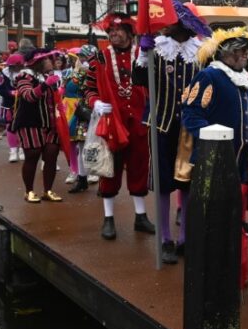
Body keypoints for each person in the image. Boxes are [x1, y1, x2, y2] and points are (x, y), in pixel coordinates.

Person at [182, 26, 248, 282]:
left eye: (247, 50)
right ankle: (213, 273)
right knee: (213, 222)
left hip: (240, 164)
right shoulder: (209, 77)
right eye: (240, 50)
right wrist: (214, 137)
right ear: (225, 53)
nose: (245, 55)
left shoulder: (243, 79)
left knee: (234, 220)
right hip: (214, 163)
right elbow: (191, 115)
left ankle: (234, 271)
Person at [136, 1, 208, 264]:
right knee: (164, 182)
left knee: (187, 181)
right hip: (161, 124)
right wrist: (143, 55)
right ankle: (165, 237)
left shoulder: (201, 52)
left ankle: (185, 237)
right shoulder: (157, 49)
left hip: (190, 127)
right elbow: (139, 80)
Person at [84, 13, 155, 240]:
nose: (113, 34)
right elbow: (88, 87)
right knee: (110, 169)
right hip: (112, 123)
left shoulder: (144, 56)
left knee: (139, 167)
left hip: (139, 123)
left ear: (129, 32)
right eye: (110, 32)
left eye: (117, 31)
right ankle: (108, 218)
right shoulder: (101, 58)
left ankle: (141, 216)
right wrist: (95, 103)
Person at [11, 48, 64, 203]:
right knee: (32, 155)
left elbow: (56, 97)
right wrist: (45, 85)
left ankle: (48, 190)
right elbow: (28, 96)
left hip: (51, 122)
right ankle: (29, 191)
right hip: (30, 122)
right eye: (48, 59)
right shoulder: (24, 76)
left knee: (52, 154)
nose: (52, 61)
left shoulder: (51, 76)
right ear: (38, 62)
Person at [64, 45, 96, 192]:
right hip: (84, 112)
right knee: (82, 145)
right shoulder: (81, 70)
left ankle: (97, 175)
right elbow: (69, 88)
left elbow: (71, 87)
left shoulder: (93, 70)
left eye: (84, 57)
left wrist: (79, 71)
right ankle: (82, 178)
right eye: (81, 57)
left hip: (96, 110)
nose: (82, 59)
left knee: (98, 144)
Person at [0, 53, 25, 162]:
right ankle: (13, 151)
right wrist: (11, 93)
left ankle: (23, 149)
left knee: (24, 126)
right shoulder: (4, 74)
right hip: (9, 104)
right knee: (10, 127)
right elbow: (0, 89)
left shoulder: (27, 73)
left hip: (24, 104)